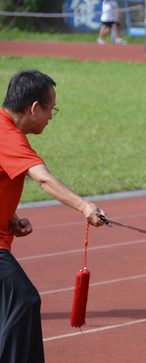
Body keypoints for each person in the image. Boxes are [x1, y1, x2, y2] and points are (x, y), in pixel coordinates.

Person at [0, 70, 106, 362]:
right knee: (24, 300)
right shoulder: (9, 137)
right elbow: (43, 179)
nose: (50, 117)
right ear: (35, 107)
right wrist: (85, 206)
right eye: (51, 109)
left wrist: (9, 216)